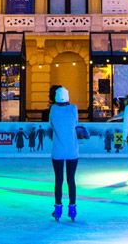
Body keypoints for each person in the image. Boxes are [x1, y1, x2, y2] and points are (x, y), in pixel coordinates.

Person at [49, 85, 79, 222]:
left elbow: (51, 125)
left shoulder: (53, 109)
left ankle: (58, 208)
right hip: (72, 150)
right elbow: (75, 123)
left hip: (58, 151)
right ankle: (72, 208)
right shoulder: (73, 108)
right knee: (71, 180)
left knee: (59, 180)